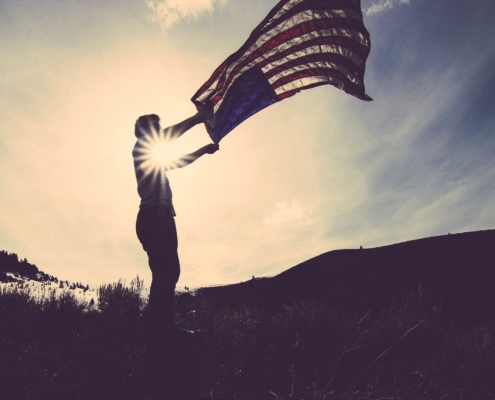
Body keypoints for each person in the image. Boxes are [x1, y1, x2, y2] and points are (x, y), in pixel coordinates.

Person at [133, 109, 218, 347]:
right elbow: (170, 135)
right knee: (167, 272)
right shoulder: (141, 148)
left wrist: (203, 150)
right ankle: (162, 332)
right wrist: (197, 118)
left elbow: (180, 162)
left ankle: (159, 328)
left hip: (155, 216)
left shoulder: (153, 163)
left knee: (165, 272)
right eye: (156, 129)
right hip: (155, 215)